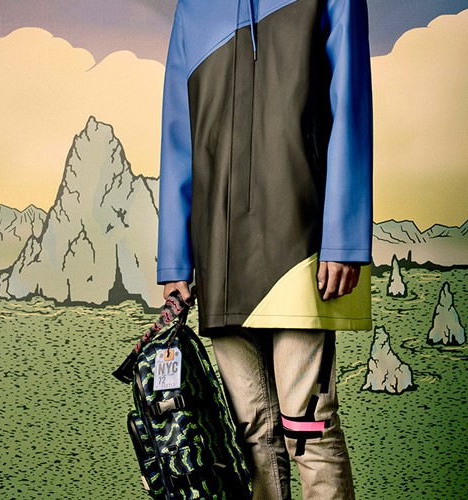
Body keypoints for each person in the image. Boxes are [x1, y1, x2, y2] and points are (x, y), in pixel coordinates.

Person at [157, 0, 373, 498]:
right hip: (218, 252)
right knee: (251, 433)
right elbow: (177, 137)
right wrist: (175, 260)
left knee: (308, 429)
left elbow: (351, 106)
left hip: (302, 242)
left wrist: (343, 240)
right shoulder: (193, 9)